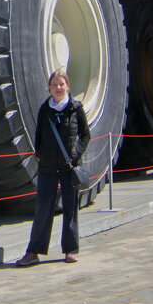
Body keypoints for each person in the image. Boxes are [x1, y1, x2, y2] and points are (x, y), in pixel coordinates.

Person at [14, 70, 90, 266]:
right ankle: (33, 252)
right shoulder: (44, 109)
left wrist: (75, 156)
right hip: (47, 167)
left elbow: (85, 135)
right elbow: (38, 135)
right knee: (43, 210)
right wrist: (41, 154)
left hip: (68, 167)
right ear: (49, 87)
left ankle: (71, 250)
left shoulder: (75, 108)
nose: (58, 88)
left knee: (70, 209)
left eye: (61, 84)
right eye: (54, 84)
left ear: (67, 86)